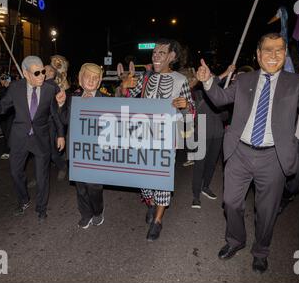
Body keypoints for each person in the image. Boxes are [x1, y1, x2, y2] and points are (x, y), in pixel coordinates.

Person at [196, 32, 299, 273]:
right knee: (231, 203)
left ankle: (261, 251)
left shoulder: (296, 82)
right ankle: (235, 241)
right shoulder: (245, 80)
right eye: (268, 49)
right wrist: (207, 82)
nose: (273, 54)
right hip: (240, 153)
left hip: (273, 157)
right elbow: (221, 98)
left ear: (285, 54)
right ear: (258, 55)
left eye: (279, 50)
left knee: (266, 212)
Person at [120, 38, 195, 241]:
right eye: (154, 52)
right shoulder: (145, 78)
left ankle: (158, 221)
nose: (156, 56)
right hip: (143, 137)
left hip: (166, 139)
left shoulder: (181, 80)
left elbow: (191, 112)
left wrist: (185, 105)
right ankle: (151, 203)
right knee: (144, 178)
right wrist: (124, 86)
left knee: (162, 180)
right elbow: (126, 96)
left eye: (161, 53)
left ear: (172, 56)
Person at [0, 56, 65, 222]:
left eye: (43, 71)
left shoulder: (49, 89)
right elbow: (0, 110)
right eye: (37, 73)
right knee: (15, 173)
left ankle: (41, 208)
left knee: (42, 176)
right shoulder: (15, 88)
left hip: (41, 138)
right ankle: (24, 200)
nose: (42, 76)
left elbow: (55, 114)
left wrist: (60, 135)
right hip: (19, 138)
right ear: (25, 73)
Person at [56, 63, 105, 229]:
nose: (91, 80)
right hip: (77, 152)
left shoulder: (106, 101)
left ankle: (98, 211)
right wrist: (61, 105)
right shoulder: (72, 98)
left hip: (97, 154)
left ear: (99, 82)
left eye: (95, 78)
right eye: (87, 76)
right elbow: (64, 120)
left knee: (94, 187)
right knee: (80, 187)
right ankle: (86, 214)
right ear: (80, 79)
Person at [191, 64, 236, 208]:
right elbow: (212, 83)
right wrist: (225, 72)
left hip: (218, 133)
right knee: (199, 165)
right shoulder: (198, 93)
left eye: (211, 76)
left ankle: (206, 187)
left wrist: (224, 110)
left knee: (211, 163)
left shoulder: (219, 95)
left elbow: (224, 116)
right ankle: (196, 196)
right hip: (202, 131)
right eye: (209, 76)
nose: (210, 78)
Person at [45, 64, 68, 181]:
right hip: (43, 123)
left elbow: (56, 109)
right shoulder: (43, 85)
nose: (42, 72)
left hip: (51, 123)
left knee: (51, 150)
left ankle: (62, 166)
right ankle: (40, 175)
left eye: (45, 70)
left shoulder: (51, 86)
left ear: (51, 73)